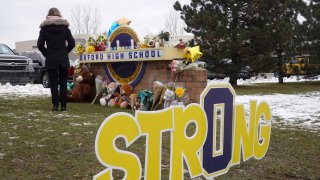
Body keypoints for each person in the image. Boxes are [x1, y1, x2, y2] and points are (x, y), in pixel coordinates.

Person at [37, 7, 75, 111]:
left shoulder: (44, 29)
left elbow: (40, 45)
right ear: (59, 15)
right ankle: (63, 106)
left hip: (51, 58)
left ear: (48, 16)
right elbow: (72, 43)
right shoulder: (65, 29)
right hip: (63, 58)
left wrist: (47, 54)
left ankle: (55, 105)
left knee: (53, 83)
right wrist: (64, 52)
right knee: (63, 83)